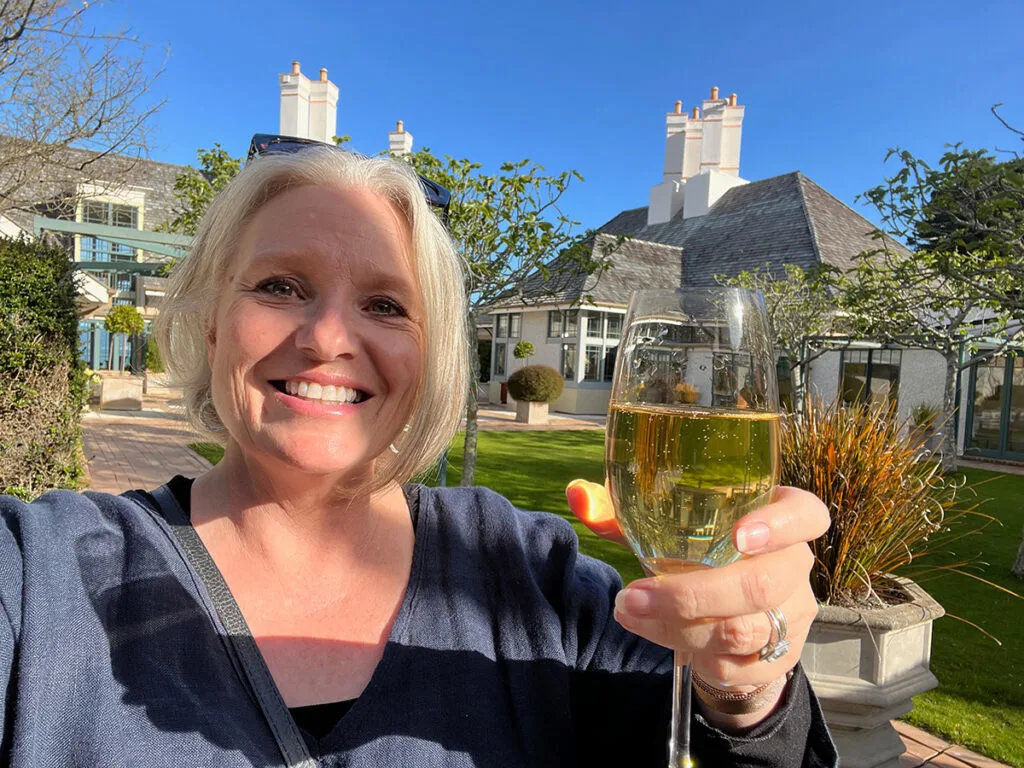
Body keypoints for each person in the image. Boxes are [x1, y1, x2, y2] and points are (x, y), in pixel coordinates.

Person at [0, 137, 837, 767]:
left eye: (386, 305)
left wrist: (746, 688)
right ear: (212, 318)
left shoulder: (534, 584)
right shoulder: (36, 582)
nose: (329, 338)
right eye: (280, 286)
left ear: (430, 352)